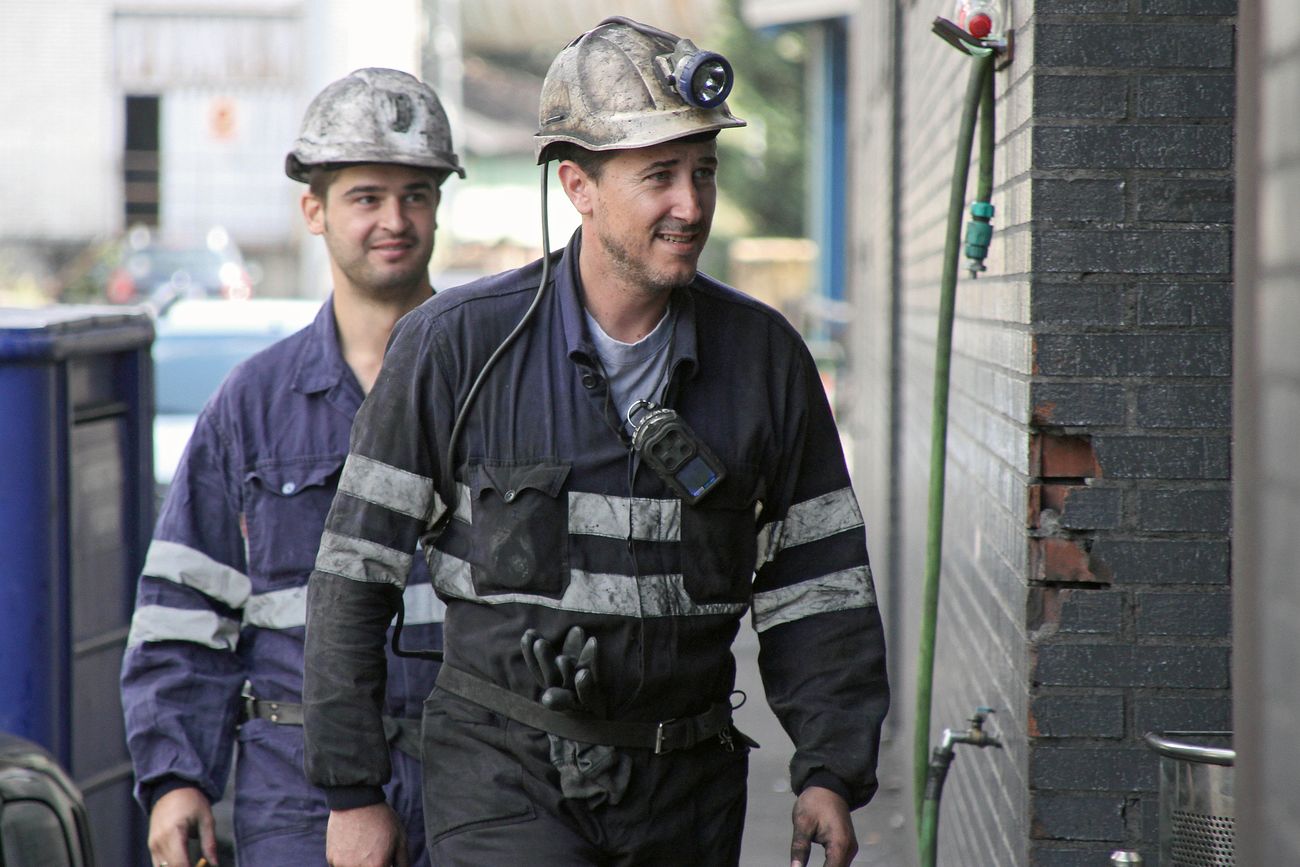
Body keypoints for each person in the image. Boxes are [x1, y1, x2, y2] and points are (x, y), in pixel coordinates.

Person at [303, 18, 890, 867]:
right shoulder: (456, 347)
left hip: (685, 795)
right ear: (577, 184)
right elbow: (354, 577)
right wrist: (354, 792)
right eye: (659, 176)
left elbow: (818, 586)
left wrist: (830, 773)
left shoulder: (764, 361)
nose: (690, 205)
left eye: (703, 172)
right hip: (507, 782)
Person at [120, 67, 463, 867]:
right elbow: (185, 607)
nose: (395, 219)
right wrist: (177, 777)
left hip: (473, 783)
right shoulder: (254, 405)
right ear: (314, 209)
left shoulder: (489, 387)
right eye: (366, 196)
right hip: (296, 790)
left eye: (416, 194)